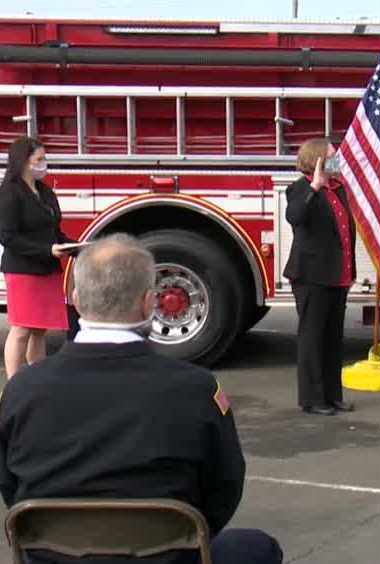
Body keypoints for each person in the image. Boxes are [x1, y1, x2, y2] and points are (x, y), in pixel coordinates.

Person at [0, 234, 282, 564]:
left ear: (76, 299)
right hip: (168, 555)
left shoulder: (22, 389)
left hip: (54, 557)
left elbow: (11, 489)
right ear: (150, 302)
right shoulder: (196, 388)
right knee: (259, 548)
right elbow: (223, 489)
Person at [284, 138, 356, 416]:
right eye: (332, 156)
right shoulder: (300, 189)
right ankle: (312, 399)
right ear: (318, 161)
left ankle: (332, 395)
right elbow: (295, 216)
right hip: (312, 276)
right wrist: (314, 185)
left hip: (337, 276)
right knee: (312, 338)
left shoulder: (339, 189)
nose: (337, 160)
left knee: (333, 338)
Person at [0, 137, 77, 377]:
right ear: (23, 162)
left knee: (39, 329)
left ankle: (37, 377)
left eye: (45, 159)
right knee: (21, 329)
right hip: (23, 270)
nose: (44, 164)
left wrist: (74, 246)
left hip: (47, 269)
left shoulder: (44, 191)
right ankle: (14, 384)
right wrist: (46, 250)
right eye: (39, 160)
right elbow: (7, 236)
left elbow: (54, 230)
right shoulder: (10, 193)